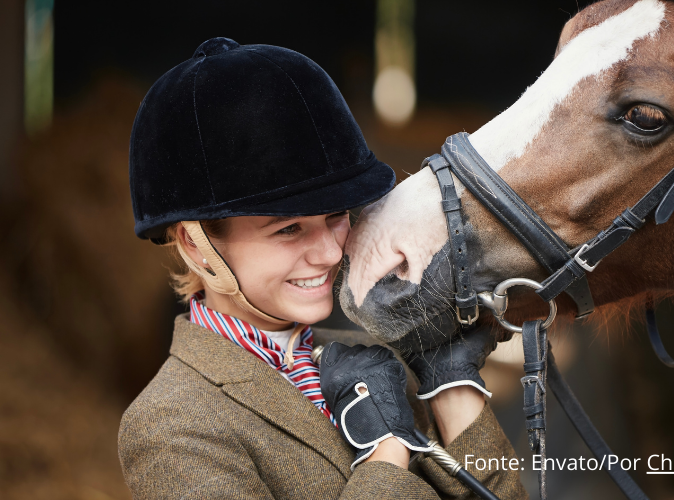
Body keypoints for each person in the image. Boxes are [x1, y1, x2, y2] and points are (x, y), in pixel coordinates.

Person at [119, 37, 526, 499]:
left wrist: (452, 390)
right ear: (196, 245)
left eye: (336, 218)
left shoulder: (380, 362)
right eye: (289, 230)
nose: (331, 254)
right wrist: (387, 454)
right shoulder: (170, 425)